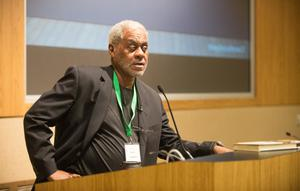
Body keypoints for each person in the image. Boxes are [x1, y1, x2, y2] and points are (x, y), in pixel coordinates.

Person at [24, 20, 231, 185]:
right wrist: (50, 170)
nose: (140, 53)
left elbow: (170, 145)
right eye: (132, 47)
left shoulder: (151, 98)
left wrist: (210, 148)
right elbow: (35, 119)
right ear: (112, 50)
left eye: (144, 47)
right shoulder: (84, 80)